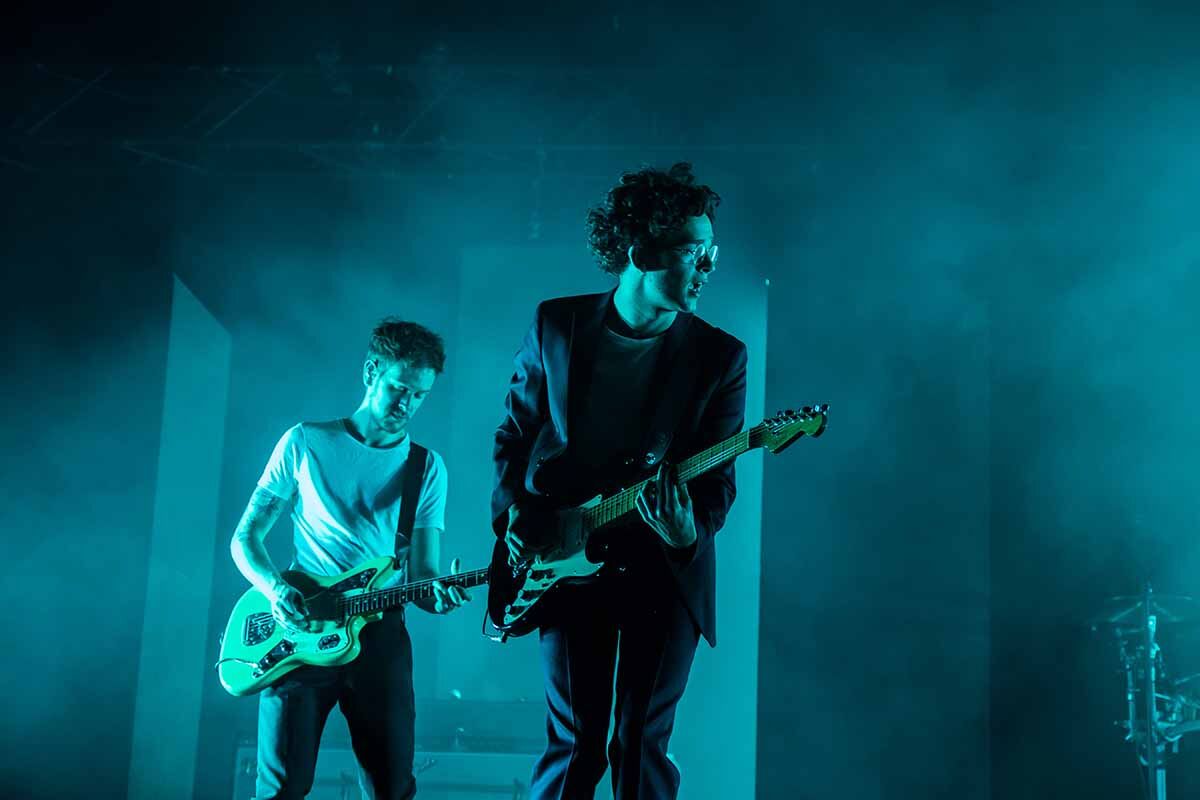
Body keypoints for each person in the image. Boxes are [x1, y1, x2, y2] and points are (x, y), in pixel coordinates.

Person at [491, 162, 748, 799]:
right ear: (640, 253)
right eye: (694, 253)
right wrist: (516, 512)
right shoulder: (558, 325)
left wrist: (688, 529)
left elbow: (717, 483)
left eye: (713, 252)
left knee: (639, 742)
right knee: (576, 741)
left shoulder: (720, 357)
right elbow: (515, 435)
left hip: (663, 570)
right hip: (565, 561)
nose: (708, 268)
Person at [230, 319, 469, 800]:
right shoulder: (305, 441)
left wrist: (438, 595)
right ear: (370, 371)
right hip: (300, 626)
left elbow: (423, 575)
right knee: (280, 790)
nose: (406, 405)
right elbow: (245, 538)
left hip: (380, 633)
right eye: (399, 388)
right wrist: (275, 590)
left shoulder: (427, 468)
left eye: (419, 395)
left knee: (391, 789)